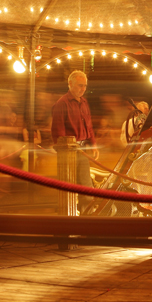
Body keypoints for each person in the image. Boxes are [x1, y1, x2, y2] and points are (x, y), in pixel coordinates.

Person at [51, 70, 99, 212]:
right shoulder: (62, 103)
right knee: (70, 185)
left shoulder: (84, 102)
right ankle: (72, 216)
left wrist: (94, 145)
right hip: (70, 151)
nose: (83, 89)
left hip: (82, 149)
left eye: (85, 86)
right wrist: (63, 153)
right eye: (80, 85)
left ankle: (85, 215)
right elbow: (58, 132)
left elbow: (89, 126)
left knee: (85, 184)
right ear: (70, 84)